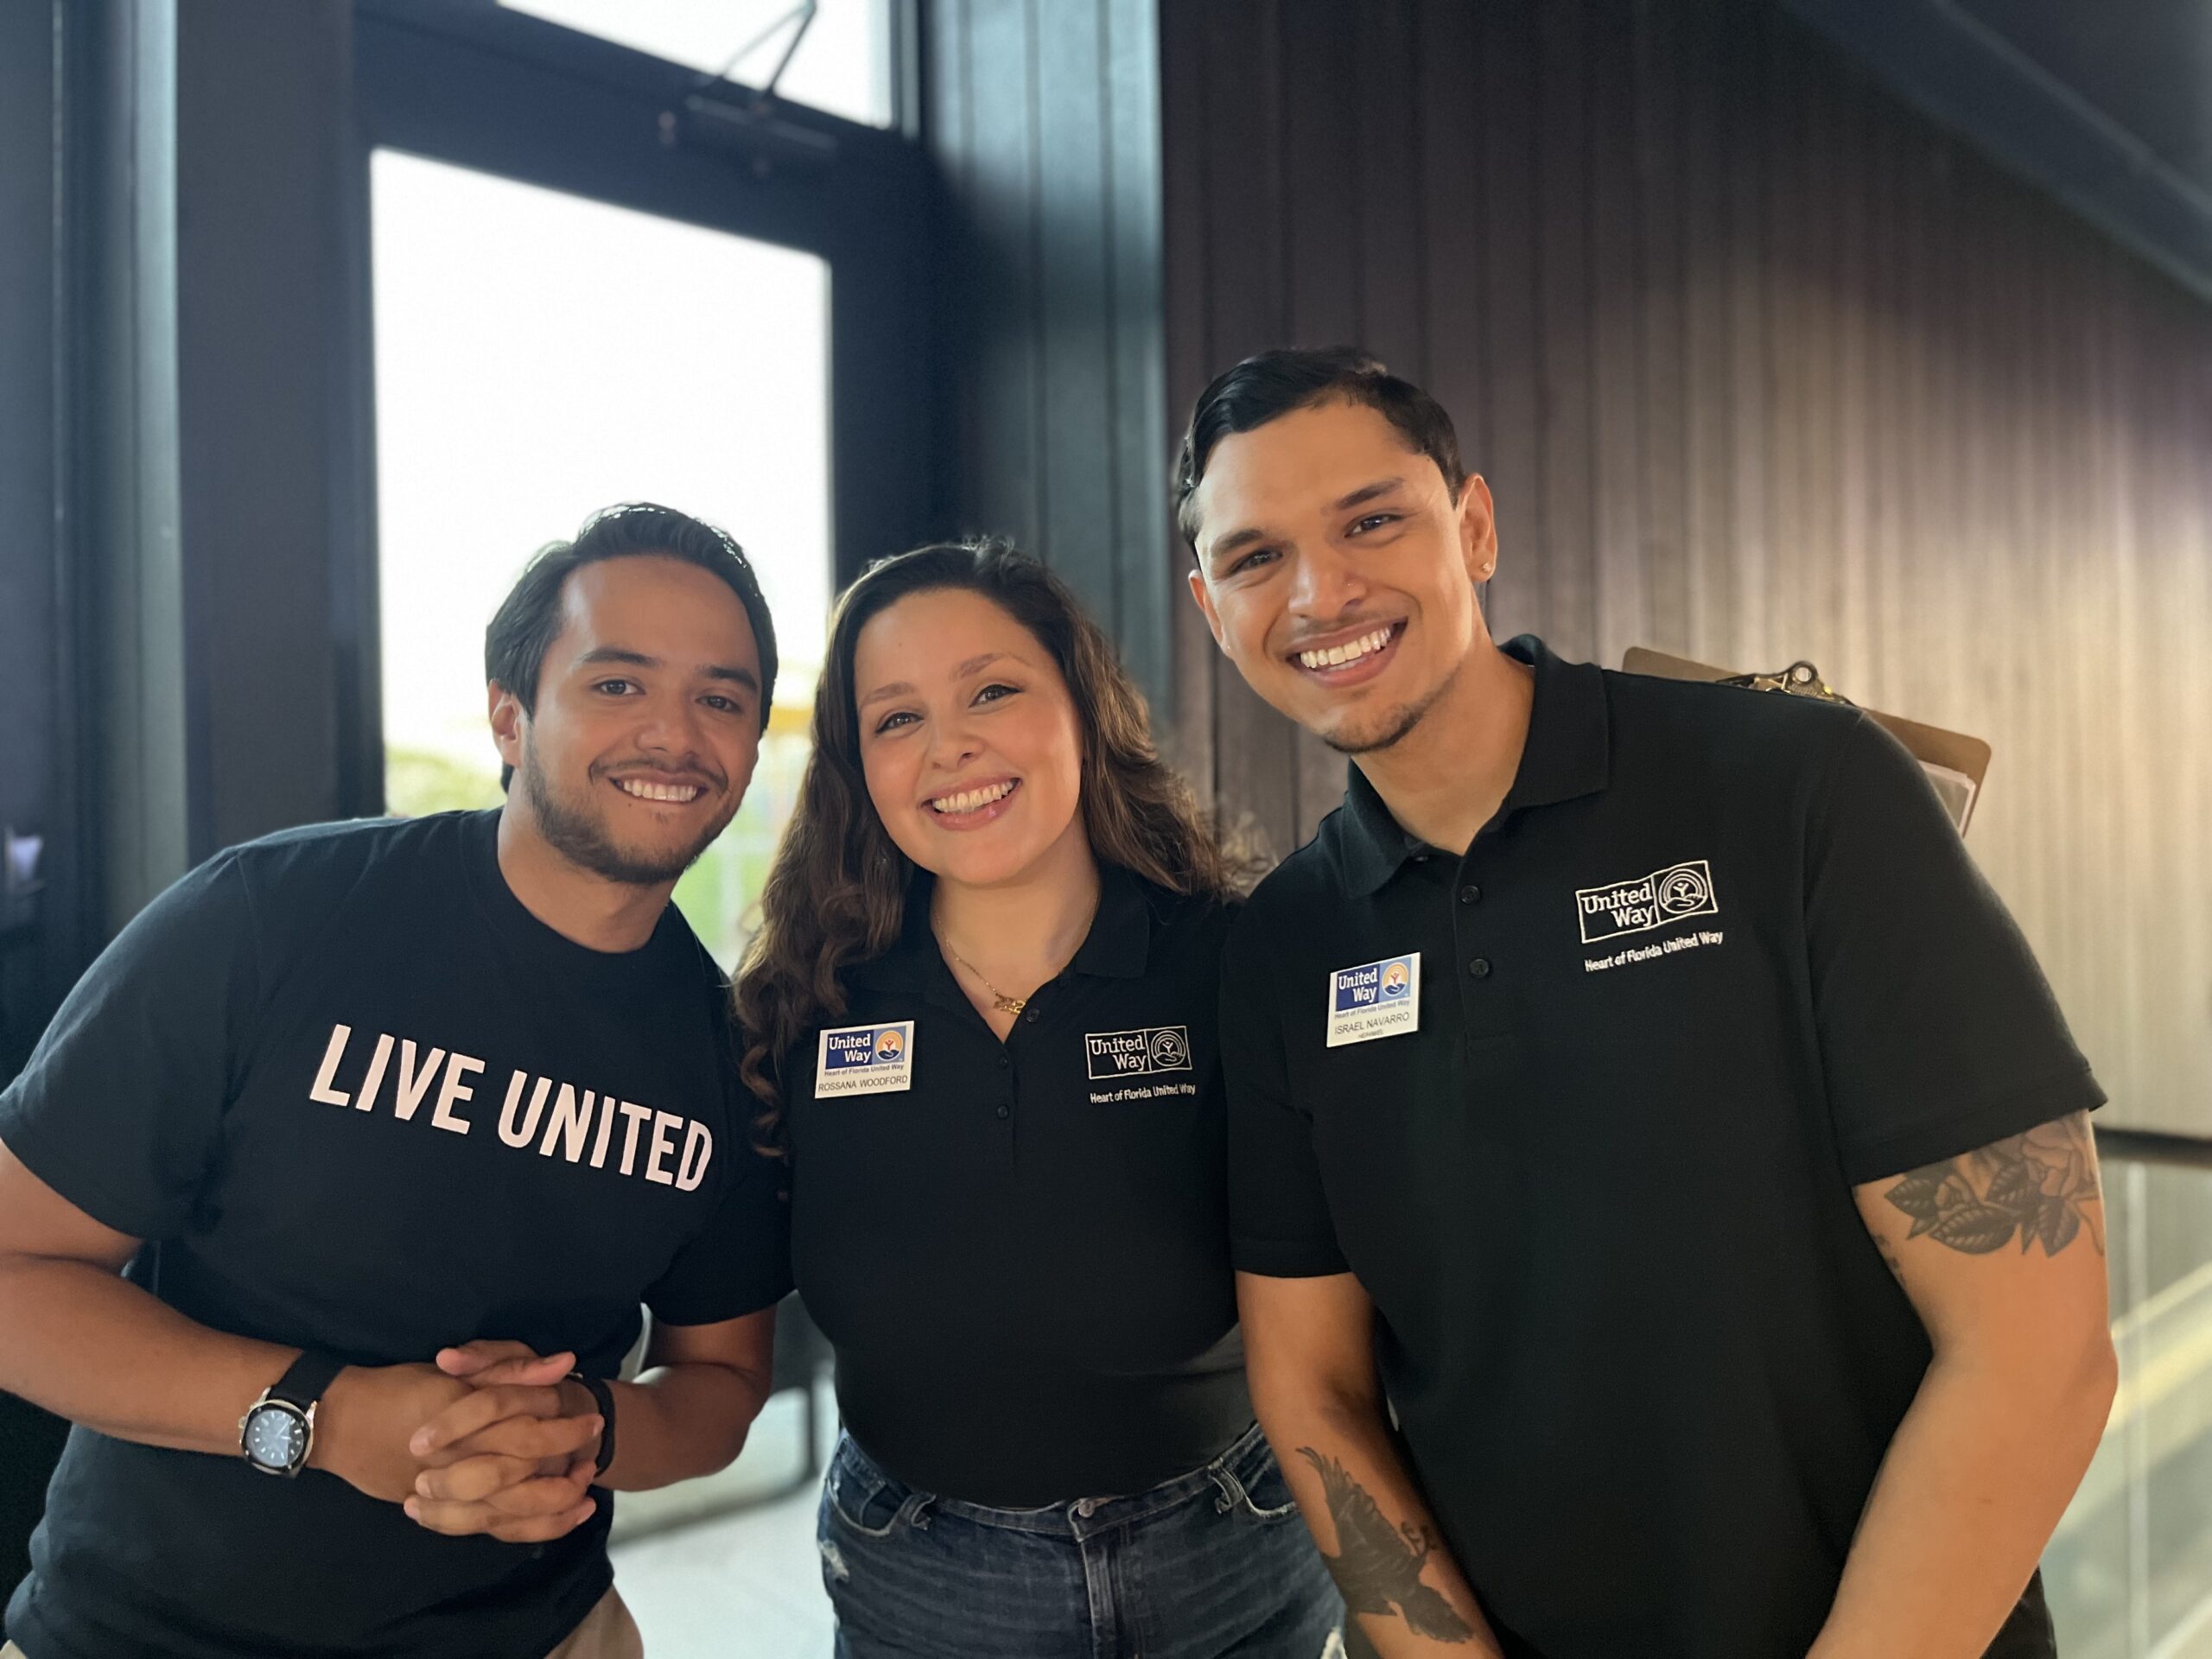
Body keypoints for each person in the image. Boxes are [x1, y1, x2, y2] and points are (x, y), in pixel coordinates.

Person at [1177, 348, 2116, 1659]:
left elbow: (2038, 1348)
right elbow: (1316, 1394)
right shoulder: (1282, 948)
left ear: (1476, 526)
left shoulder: (1795, 788)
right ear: (1213, 609)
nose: (1322, 590)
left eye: (1371, 519)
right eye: (1255, 557)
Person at [0, 504, 793, 1659]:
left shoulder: (727, 1055)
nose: (673, 734)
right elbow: (14, 1269)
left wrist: (586, 1428)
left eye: (720, 698)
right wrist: (322, 1416)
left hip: (538, 1633)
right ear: (510, 717)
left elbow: (720, 1380)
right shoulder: (270, 921)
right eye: (617, 685)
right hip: (147, 1632)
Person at [734, 541, 1344, 1659]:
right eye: (896, 718)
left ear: (1084, 707)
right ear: (856, 766)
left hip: (1230, 1549)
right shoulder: (802, 1002)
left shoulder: (1235, 962)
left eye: (994, 691)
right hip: (922, 1571)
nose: (951, 743)